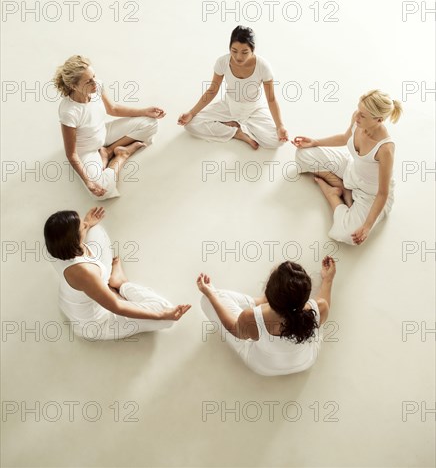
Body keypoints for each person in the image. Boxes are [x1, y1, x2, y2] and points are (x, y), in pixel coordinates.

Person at [44, 207, 191, 340]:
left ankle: (109, 284)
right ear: (74, 240)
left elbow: (83, 231)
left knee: (96, 229)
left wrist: (88, 222)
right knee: (167, 316)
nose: (86, 223)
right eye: (82, 226)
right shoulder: (84, 273)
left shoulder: (55, 249)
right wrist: (162, 315)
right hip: (97, 323)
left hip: (90, 287)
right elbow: (116, 307)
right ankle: (121, 284)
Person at [292, 89, 403, 245]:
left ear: (378, 120)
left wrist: (367, 226)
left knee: (349, 235)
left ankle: (333, 194)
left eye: (362, 115)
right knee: (303, 154)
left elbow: (383, 193)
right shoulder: (358, 119)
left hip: (370, 194)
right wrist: (315, 142)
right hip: (351, 168)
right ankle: (342, 187)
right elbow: (345, 138)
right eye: (358, 109)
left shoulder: (385, 149)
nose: (356, 116)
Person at [197, 257, 336, 376]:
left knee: (209, 301)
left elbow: (233, 328)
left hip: (264, 367)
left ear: (269, 295)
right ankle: (269, 301)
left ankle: (258, 301)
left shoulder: (252, 317)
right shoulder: (321, 308)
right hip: (305, 361)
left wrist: (210, 294)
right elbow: (322, 302)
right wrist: (328, 280)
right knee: (317, 320)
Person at [54, 55, 166, 200]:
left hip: (104, 132)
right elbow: (71, 154)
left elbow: (113, 109)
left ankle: (109, 150)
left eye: (94, 76)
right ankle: (122, 155)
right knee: (102, 191)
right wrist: (88, 182)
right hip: (87, 151)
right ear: (73, 86)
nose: (95, 82)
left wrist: (144, 111)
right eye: (88, 81)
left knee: (150, 123)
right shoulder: (69, 111)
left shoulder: (97, 87)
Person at [178, 26, 288, 150]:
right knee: (190, 124)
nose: (238, 57)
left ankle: (240, 125)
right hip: (229, 105)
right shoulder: (222, 62)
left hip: (254, 108)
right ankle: (237, 132)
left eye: (244, 52)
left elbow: (271, 99)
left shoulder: (263, 66)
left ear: (253, 50)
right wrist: (191, 113)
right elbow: (212, 90)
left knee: (276, 141)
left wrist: (280, 126)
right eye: (234, 51)